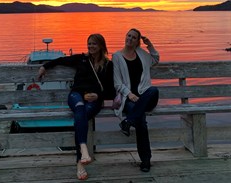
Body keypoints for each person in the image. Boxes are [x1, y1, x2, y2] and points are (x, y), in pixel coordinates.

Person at [37, 33, 114, 181]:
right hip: (76, 95)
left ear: (101, 46)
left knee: (82, 114)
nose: (91, 46)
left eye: (94, 44)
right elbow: (61, 60)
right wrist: (44, 67)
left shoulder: (108, 65)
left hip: (94, 100)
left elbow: (111, 90)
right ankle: (84, 150)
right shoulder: (81, 59)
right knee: (79, 108)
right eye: (89, 43)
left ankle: (80, 162)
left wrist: (98, 96)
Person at [113, 28, 160, 173]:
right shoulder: (117, 56)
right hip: (129, 100)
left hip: (145, 98)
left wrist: (149, 44)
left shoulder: (141, 54)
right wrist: (129, 94)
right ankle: (146, 161)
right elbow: (117, 83)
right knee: (141, 121)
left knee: (153, 90)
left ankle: (127, 122)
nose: (130, 39)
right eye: (128, 35)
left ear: (137, 41)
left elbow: (156, 59)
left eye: (133, 37)